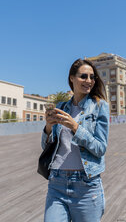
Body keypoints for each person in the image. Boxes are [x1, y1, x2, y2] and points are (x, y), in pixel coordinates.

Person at [41, 58, 109, 222]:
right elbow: (46, 146)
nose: (89, 81)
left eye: (92, 77)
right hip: (57, 181)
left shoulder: (99, 106)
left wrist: (76, 127)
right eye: (83, 76)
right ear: (72, 78)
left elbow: (100, 148)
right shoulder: (62, 107)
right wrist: (48, 128)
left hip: (85, 185)